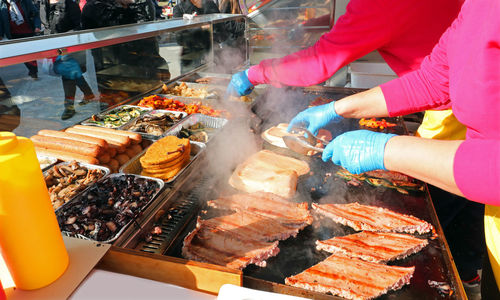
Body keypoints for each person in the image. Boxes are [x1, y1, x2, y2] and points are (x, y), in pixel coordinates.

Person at [227, 0, 485, 292]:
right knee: (466, 212)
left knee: (443, 210)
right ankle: (470, 275)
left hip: (466, 128)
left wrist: (385, 150)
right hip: (463, 116)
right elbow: (433, 79)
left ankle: (463, 276)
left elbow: (321, 60)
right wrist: (339, 109)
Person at [0, 0, 41, 78]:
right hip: (14, 34)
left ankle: (33, 71)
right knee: (22, 54)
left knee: (30, 53)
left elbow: (35, 13)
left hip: (28, 31)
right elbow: (0, 21)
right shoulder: (2, 4)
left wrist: (37, 26)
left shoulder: (25, 1)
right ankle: (33, 70)